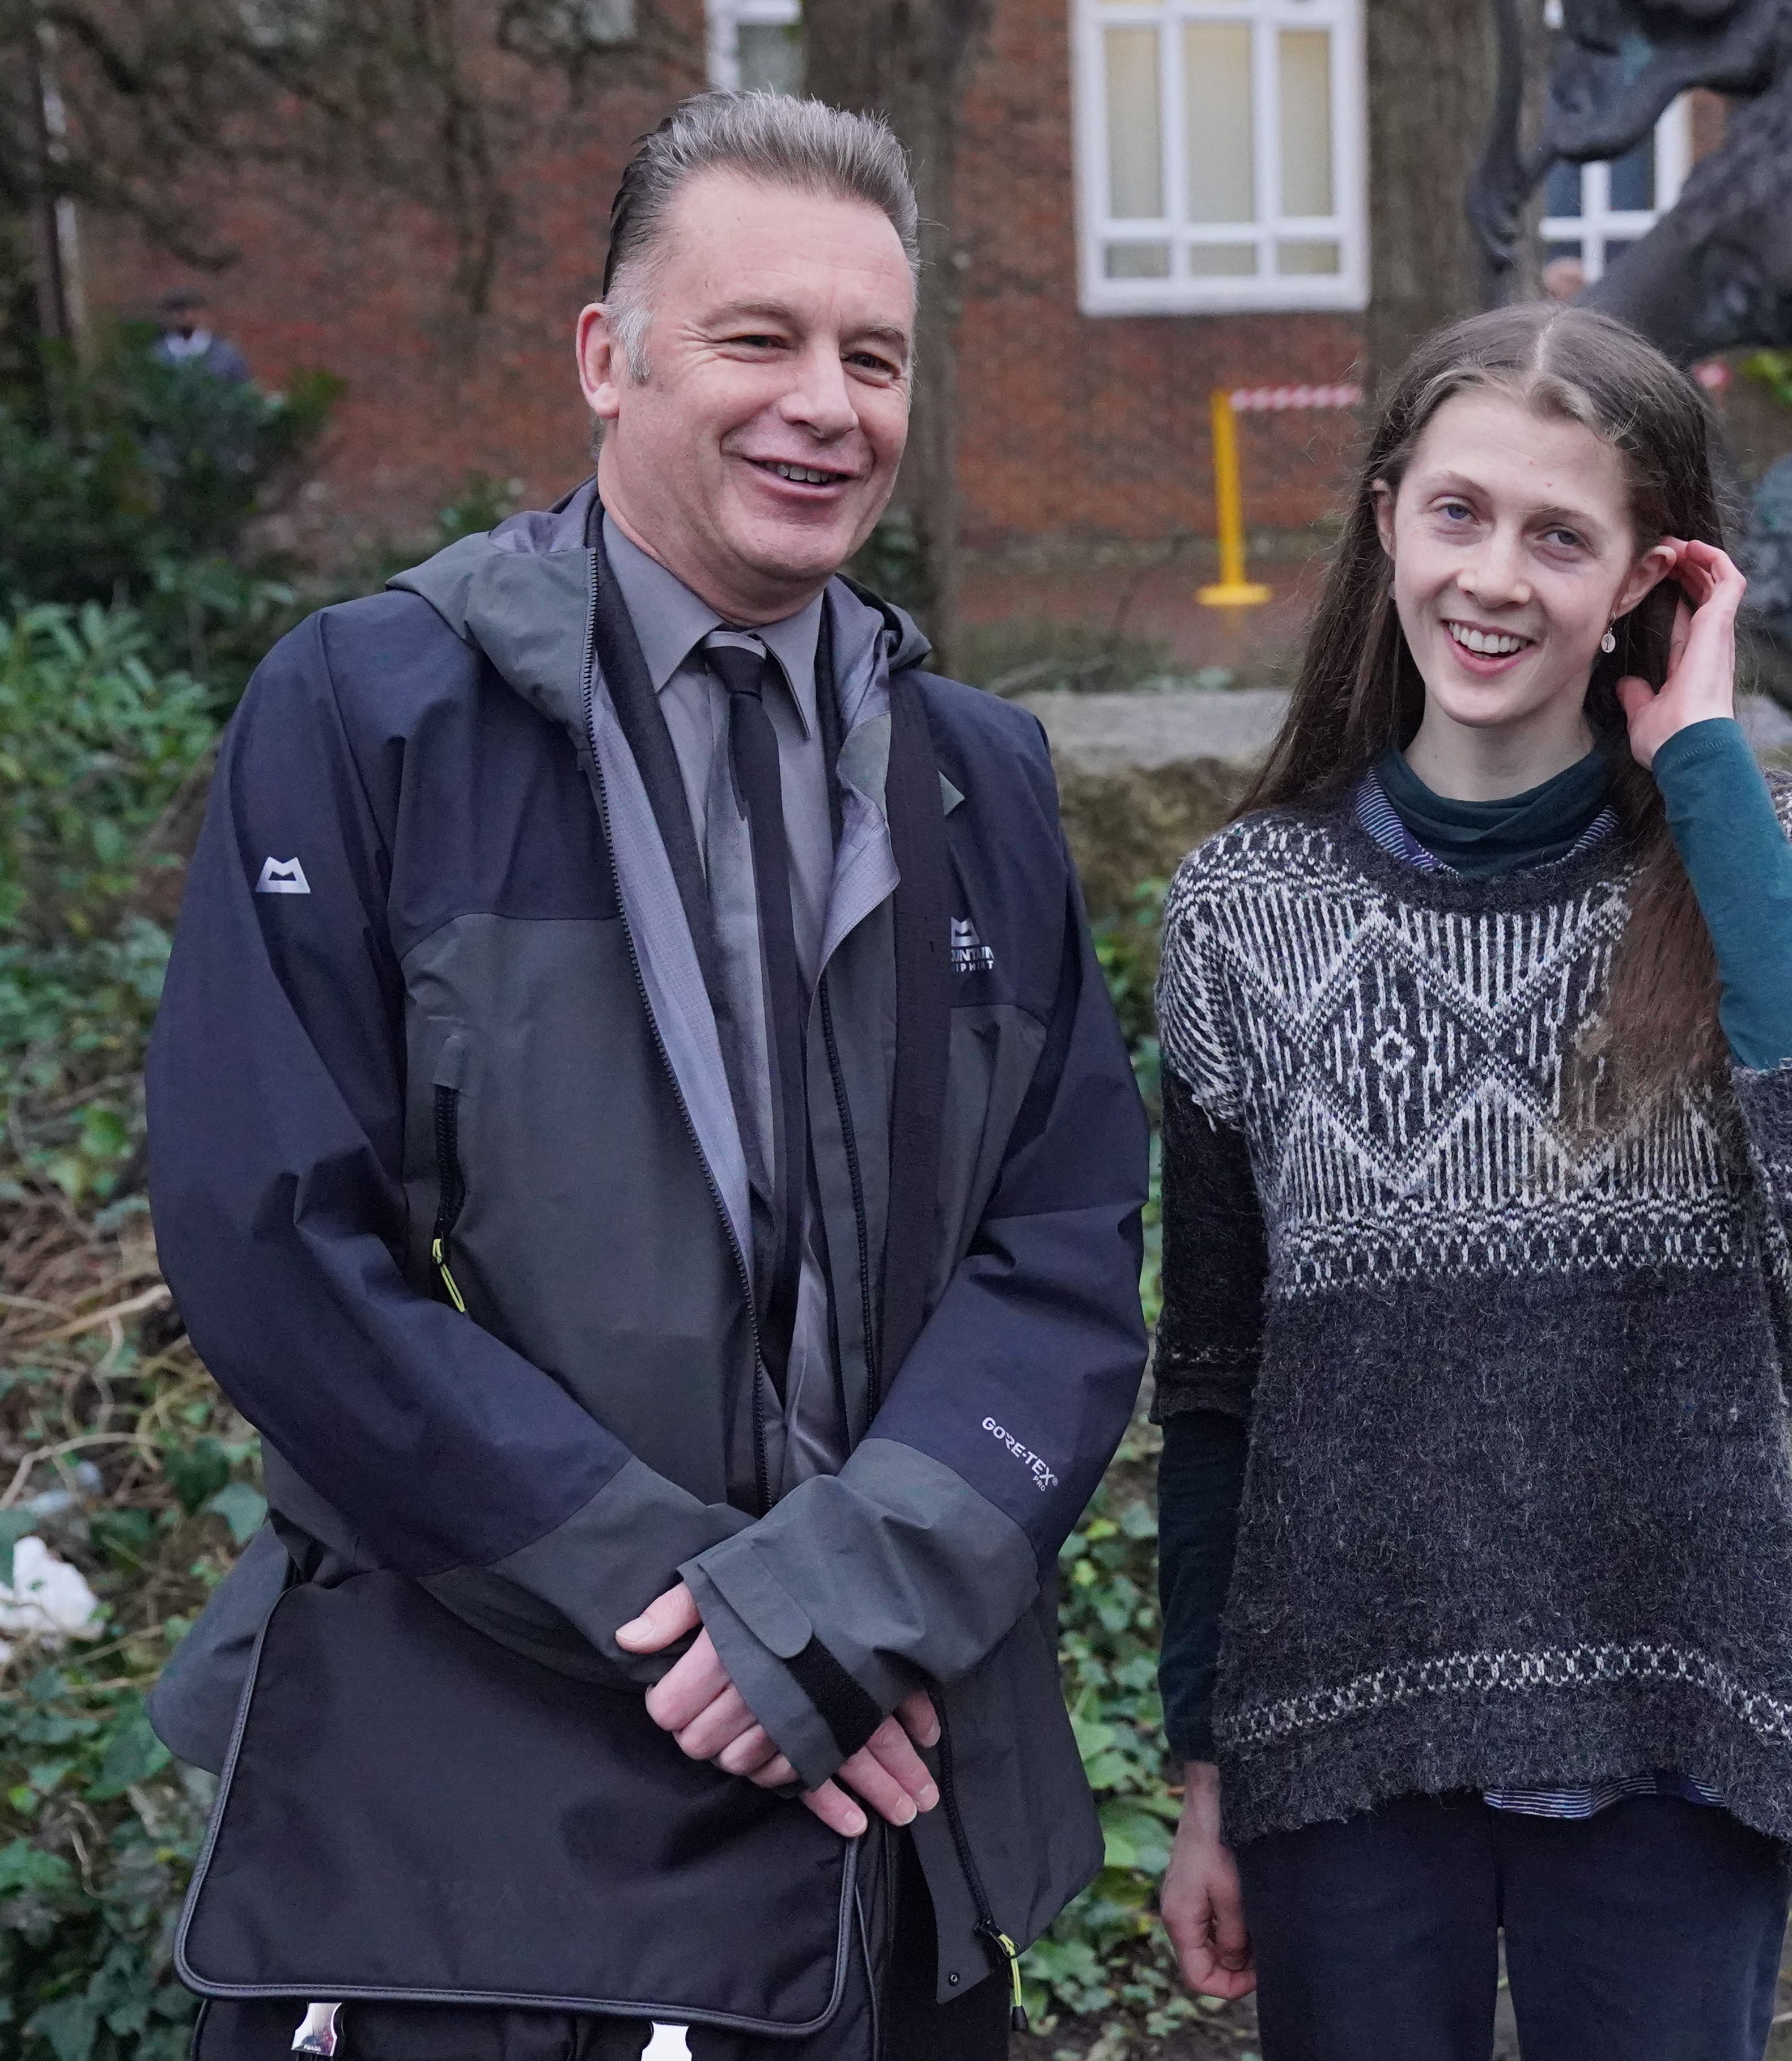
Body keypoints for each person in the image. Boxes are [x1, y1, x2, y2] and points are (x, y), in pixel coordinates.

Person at [145, 91, 1149, 2060]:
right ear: (611, 360)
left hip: (890, 1790)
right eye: (758, 338)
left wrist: (847, 1595)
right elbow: (275, 1236)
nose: (825, 404)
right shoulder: (366, 715)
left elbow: (1064, 1243)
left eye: (872, 356)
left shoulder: (979, 780)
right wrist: (693, 1606)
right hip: (472, 1810)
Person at [1149, 301, 1792, 2061]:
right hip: (1341, 1731)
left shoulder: (1754, 860)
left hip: (1671, 1703)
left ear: (1645, 576)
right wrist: (1205, 1766)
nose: (1495, 578)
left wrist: (1708, 765)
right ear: (1385, 521)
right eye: (1459, 514)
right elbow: (1209, 1382)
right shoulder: (1243, 910)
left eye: (1559, 535)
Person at [152, 286, 251, 381]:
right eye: (176, 309)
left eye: (188, 309)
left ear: (199, 312)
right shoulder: (159, 355)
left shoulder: (224, 353)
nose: (182, 315)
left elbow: (243, 389)